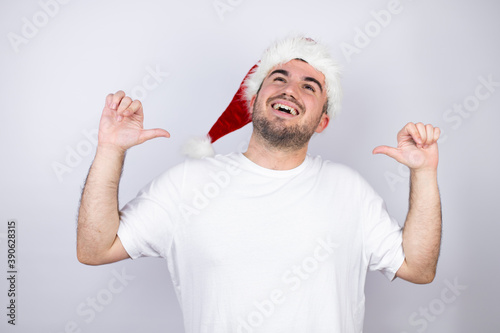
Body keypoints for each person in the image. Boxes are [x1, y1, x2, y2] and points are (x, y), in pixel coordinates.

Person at [77, 36, 441, 333]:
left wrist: (423, 174)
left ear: (322, 122)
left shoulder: (350, 190)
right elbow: (95, 249)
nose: (289, 90)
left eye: (309, 86)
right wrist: (110, 150)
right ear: (252, 101)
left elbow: (418, 268)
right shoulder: (188, 184)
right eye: (278, 78)